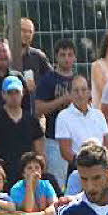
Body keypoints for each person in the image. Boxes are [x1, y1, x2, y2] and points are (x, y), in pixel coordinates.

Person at [34, 39, 77, 188]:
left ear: (75, 57)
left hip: (77, 139)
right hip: (54, 139)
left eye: (70, 55)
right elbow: (38, 108)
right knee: (57, 184)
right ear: (56, 57)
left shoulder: (79, 80)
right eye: (62, 55)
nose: (66, 58)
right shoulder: (47, 80)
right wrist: (63, 100)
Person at [55, 74, 108, 174]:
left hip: (101, 169)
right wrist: (86, 166)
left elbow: (107, 143)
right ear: (70, 93)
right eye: (76, 90)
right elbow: (65, 152)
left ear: (89, 92)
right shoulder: (63, 117)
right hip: (77, 170)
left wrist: (100, 165)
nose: (80, 94)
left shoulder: (98, 115)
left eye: (84, 90)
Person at [19, 18, 52, 93]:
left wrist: (37, 86)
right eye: (23, 30)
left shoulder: (38, 56)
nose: (27, 34)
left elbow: (51, 79)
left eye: (30, 32)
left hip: (33, 101)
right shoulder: (5, 55)